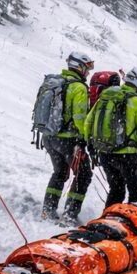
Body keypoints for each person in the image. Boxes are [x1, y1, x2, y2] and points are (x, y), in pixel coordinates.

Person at [84, 66, 137, 206]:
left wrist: (90, 145)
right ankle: (130, 224)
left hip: (105, 154)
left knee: (116, 190)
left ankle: (107, 221)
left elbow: (88, 122)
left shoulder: (106, 97)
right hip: (127, 156)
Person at [41, 51, 94, 222]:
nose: (88, 72)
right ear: (79, 66)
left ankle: (48, 210)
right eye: (87, 68)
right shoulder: (78, 87)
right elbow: (80, 119)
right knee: (83, 175)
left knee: (59, 172)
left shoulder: (57, 83)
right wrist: (85, 139)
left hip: (49, 137)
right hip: (68, 140)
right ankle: (69, 215)